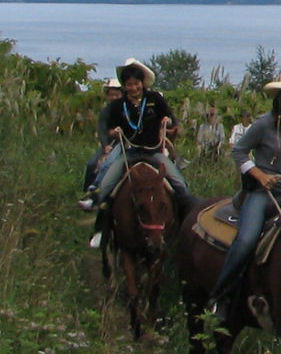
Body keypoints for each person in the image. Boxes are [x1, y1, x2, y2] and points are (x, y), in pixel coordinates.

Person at [206, 67, 281, 323]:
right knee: (246, 241)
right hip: (262, 192)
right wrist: (259, 175)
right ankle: (219, 296)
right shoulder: (263, 123)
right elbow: (238, 152)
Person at [85, 59, 195, 246]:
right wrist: (114, 132)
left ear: (142, 83)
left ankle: (185, 227)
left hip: (154, 152)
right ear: (125, 86)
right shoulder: (119, 105)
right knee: (107, 185)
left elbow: (171, 122)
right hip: (131, 152)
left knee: (179, 184)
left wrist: (168, 125)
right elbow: (109, 129)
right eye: (129, 85)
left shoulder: (155, 100)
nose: (134, 88)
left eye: (136, 84)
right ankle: (101, 228)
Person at [77, 78, 123, 211]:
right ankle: (88, 193)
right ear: (107, 96)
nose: (114, 97)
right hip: (110, 144)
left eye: (117, 94)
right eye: (111, 94)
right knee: (92, 164)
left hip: (126, 144)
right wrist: (105, 146)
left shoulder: (127, 108)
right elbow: (102, 130)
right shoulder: (105, 111)